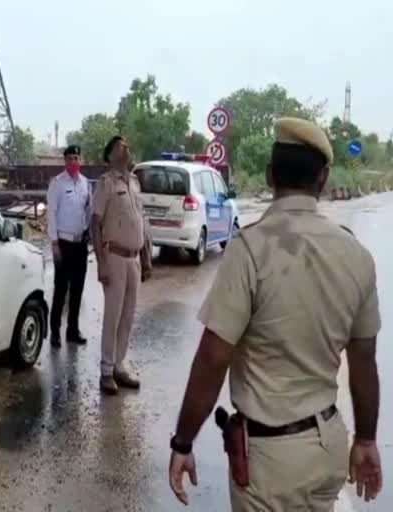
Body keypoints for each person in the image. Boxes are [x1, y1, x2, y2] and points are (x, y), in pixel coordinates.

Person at [169, 117, 383, 510]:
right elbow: (364, 359)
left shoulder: (250, 248)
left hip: (269, 461)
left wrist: (183, 442)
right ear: (323, 179)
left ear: (270, 176)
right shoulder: (356, 256)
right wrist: (366, 440)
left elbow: (214, 357)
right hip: (329, 446)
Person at [90, 136, 144, 395]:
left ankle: (120, 365)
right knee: (113, 315)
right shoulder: (106, 183)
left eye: (127, 144)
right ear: (110, 155)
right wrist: (101, 262)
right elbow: (94, 224)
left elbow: (141, 220)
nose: (126, 148)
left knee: (128, 315)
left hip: (133, 257)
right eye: (121, 146)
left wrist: (145, 258)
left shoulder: (134, 182)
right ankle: (106, 370)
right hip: (114, 257)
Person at [46, 144, 91, 347]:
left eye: (76, 158)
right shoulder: (57, 183)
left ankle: (73, 330)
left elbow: (87, 211)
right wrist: (54, 243)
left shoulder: (85, 184)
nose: (73, 162)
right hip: (63, 243)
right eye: (70, 158)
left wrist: (89, 232)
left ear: (81, 160)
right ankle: (55, 331)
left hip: (80, 243)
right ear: (65, 161)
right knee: (61, 289)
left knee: (78, 289)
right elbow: (51, 214)